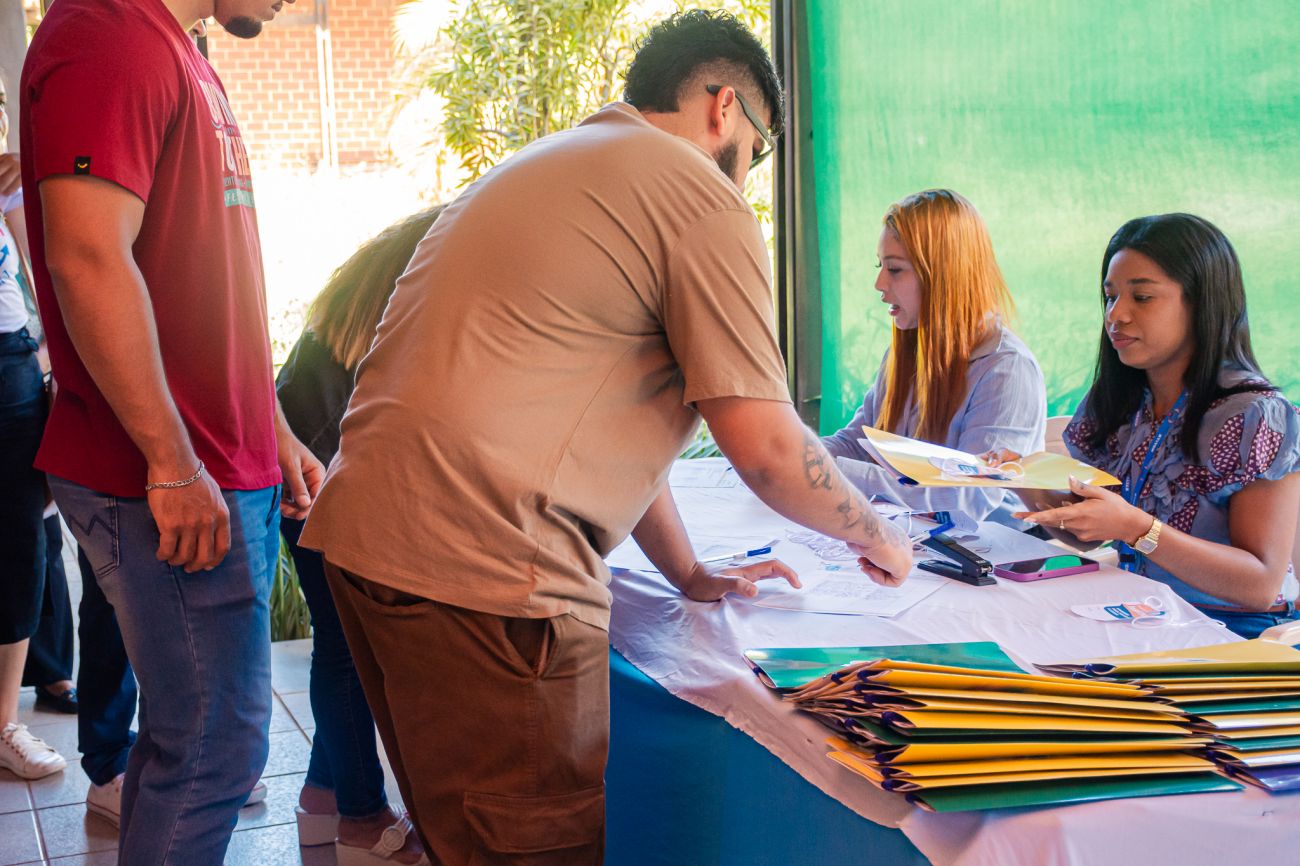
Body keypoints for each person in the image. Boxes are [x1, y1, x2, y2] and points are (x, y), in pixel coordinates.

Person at [300, 10, 912, 864]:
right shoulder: (695, 192)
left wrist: (688, 572)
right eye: (759, 148)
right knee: (535, 845)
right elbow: (770, 450)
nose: (748, 176)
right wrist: (880, 536)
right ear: (724, 107)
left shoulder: (553, 165)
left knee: (465, 840)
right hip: (489, 579)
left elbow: (598, 415)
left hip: (370, 548)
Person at [20, 1, 322, 863]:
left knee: (192, 744)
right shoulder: (110, 31)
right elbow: (87, 257)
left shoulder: (175, 47)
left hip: (213, 458)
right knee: (214, 749)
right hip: (167, 472)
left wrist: (272, 427)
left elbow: (205, 276)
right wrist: (172, 460)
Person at [1001, 213, 1300, 638]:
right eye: (1110, 297)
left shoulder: (1257, 415)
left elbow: (1258, 585)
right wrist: (1020, 480)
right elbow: (1092, 536)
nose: (1116, 315)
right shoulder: (1122, 401)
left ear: (1201, 303)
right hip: (1140, 617)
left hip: (1236, 634)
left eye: (1141, 297)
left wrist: (1137, 528)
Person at [278, 207, 443, 865]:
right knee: (348, 654)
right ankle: (363, 819)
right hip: (323, 486)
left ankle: (325, 799)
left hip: (300, 478)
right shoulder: (412, 305)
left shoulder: (354, 300)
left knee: (341, 647)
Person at [822, 189, 1046, 527]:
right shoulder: (907, 353)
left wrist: (821, 471)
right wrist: (793, 454)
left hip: (985, 553)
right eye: (880, 266)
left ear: (943, 274)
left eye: (894, 269)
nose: (879, 283)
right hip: (913, 542)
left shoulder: (1006, 371)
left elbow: (965, 500)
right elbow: (857, 443)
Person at [0, 74, 67, 781]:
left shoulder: (6, 179)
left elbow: (42, 265)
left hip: (10, 361)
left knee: (22, 537)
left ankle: (4, 725)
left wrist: (47, 351)